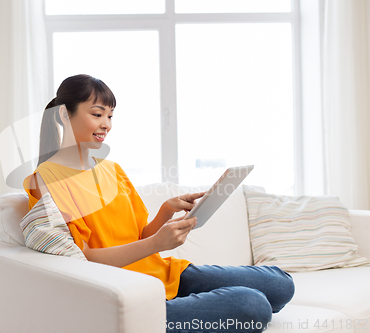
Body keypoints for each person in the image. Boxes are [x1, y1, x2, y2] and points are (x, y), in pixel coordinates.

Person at [23, 74, 295, 333]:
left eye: (110, 116)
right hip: (128, 292)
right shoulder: (46, 179)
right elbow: (83, 259)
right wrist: (155, 245)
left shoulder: (112, 169)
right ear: (63, 114)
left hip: (161, 273)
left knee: (281, 284)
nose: (106, 124)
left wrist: (166, 210)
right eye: (97, 114)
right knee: (252, 304)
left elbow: (139, 236)